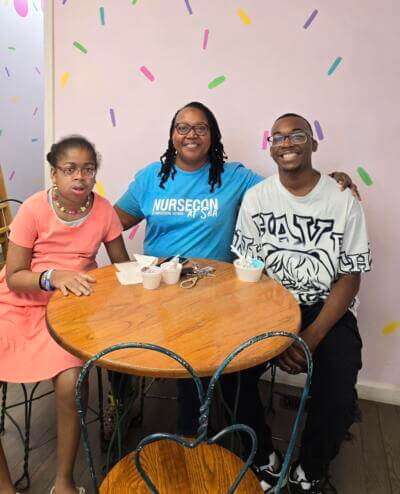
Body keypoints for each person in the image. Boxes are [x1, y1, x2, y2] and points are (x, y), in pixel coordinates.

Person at [233, 113, 371, 493]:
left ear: (313, 143)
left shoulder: (342, 199)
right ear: (270, 147)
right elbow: (249, 268)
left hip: (325, 310)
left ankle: (309, 470)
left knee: (339, 382)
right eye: (277, 137)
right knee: (229, 370)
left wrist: (309, 336)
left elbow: (350, 276)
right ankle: (262, 456)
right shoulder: (256, 198)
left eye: (296, 135)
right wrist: (274, 329)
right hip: (269, 305)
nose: (286, 143)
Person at [0, 136, 129, 494]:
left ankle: (64, 481)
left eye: (88, 169)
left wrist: (153, 273)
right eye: (70, 169)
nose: (80, 177)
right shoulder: (33, 209)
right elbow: (14, 276)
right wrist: (52, 276)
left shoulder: (103, 211)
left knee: (72, 382)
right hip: (18, 302)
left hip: (72, 310)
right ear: (54, 173)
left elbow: (122, 268)